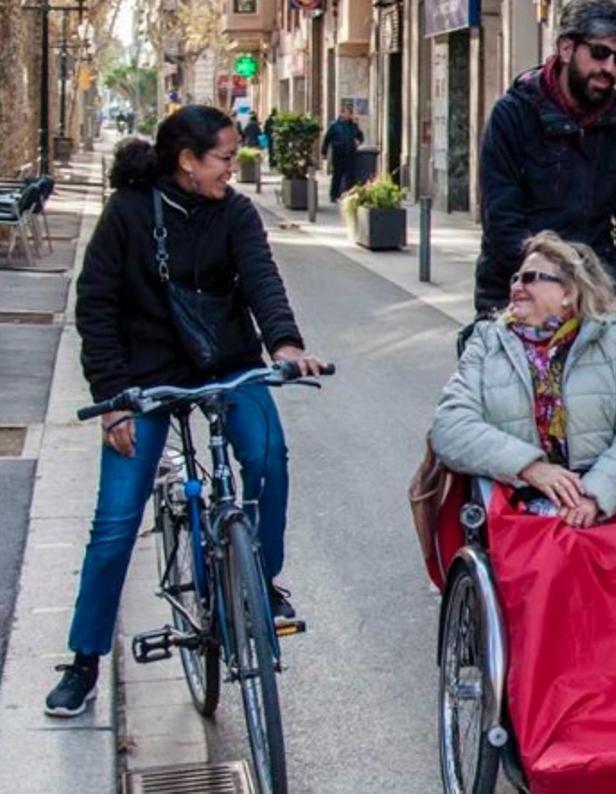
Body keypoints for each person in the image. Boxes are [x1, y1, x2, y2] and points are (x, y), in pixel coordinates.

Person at [44, 105, 326, 718]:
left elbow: (262, 280)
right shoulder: (128, 213)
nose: (233, 167)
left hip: (227, 363)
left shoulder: (236, 213)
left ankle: (259, 581)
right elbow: (96, 307)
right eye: (224, 157)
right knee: (116, 520)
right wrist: (115, 401)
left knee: (267, 455)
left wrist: (284, 344)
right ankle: (84, 660)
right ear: (187, 161)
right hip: (144, 377)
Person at [433, 231, 616, 526]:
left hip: (599, 503)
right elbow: (450, 425)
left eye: (531, 278)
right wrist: (529, 467)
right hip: (515, 500)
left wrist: (595, 495)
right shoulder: (486, 342)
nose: (517, 286)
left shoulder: (613, 341)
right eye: (515, 278)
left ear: (569, 292)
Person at [473, 0, 616, 316]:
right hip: (515, 296)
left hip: (595, 299)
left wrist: (613, 289)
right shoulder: (512, 116)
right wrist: (548, 285)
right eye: (600, 53)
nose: (610, 68)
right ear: (567, 48)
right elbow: (502, 220)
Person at [321, 105, 364, 202]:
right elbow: (327, 139)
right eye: (347, 113)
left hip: (350, 154)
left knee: (350, 177)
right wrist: (324, 152)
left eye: (350, 113)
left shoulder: (353, 125)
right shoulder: (335, 126)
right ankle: (334, 195)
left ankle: (349, 196)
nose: (349, 115)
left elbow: (360, 136)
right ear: (342, 114)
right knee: (337, 176)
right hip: (338, 154)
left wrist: (359, 140)